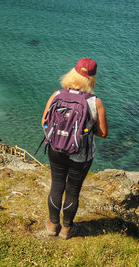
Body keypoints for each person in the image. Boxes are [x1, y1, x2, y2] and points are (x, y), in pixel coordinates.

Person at [42, 58, 108, 239]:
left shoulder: (57, 94)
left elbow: (44, 122)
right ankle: (66, 229)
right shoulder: (95, 102)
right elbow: (103, 133)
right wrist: (84, 131)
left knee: (56, 186)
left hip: (56, 149)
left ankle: (52, 225)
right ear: (92, 79)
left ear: (73, 72)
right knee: (73, 191)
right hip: (82, 154)